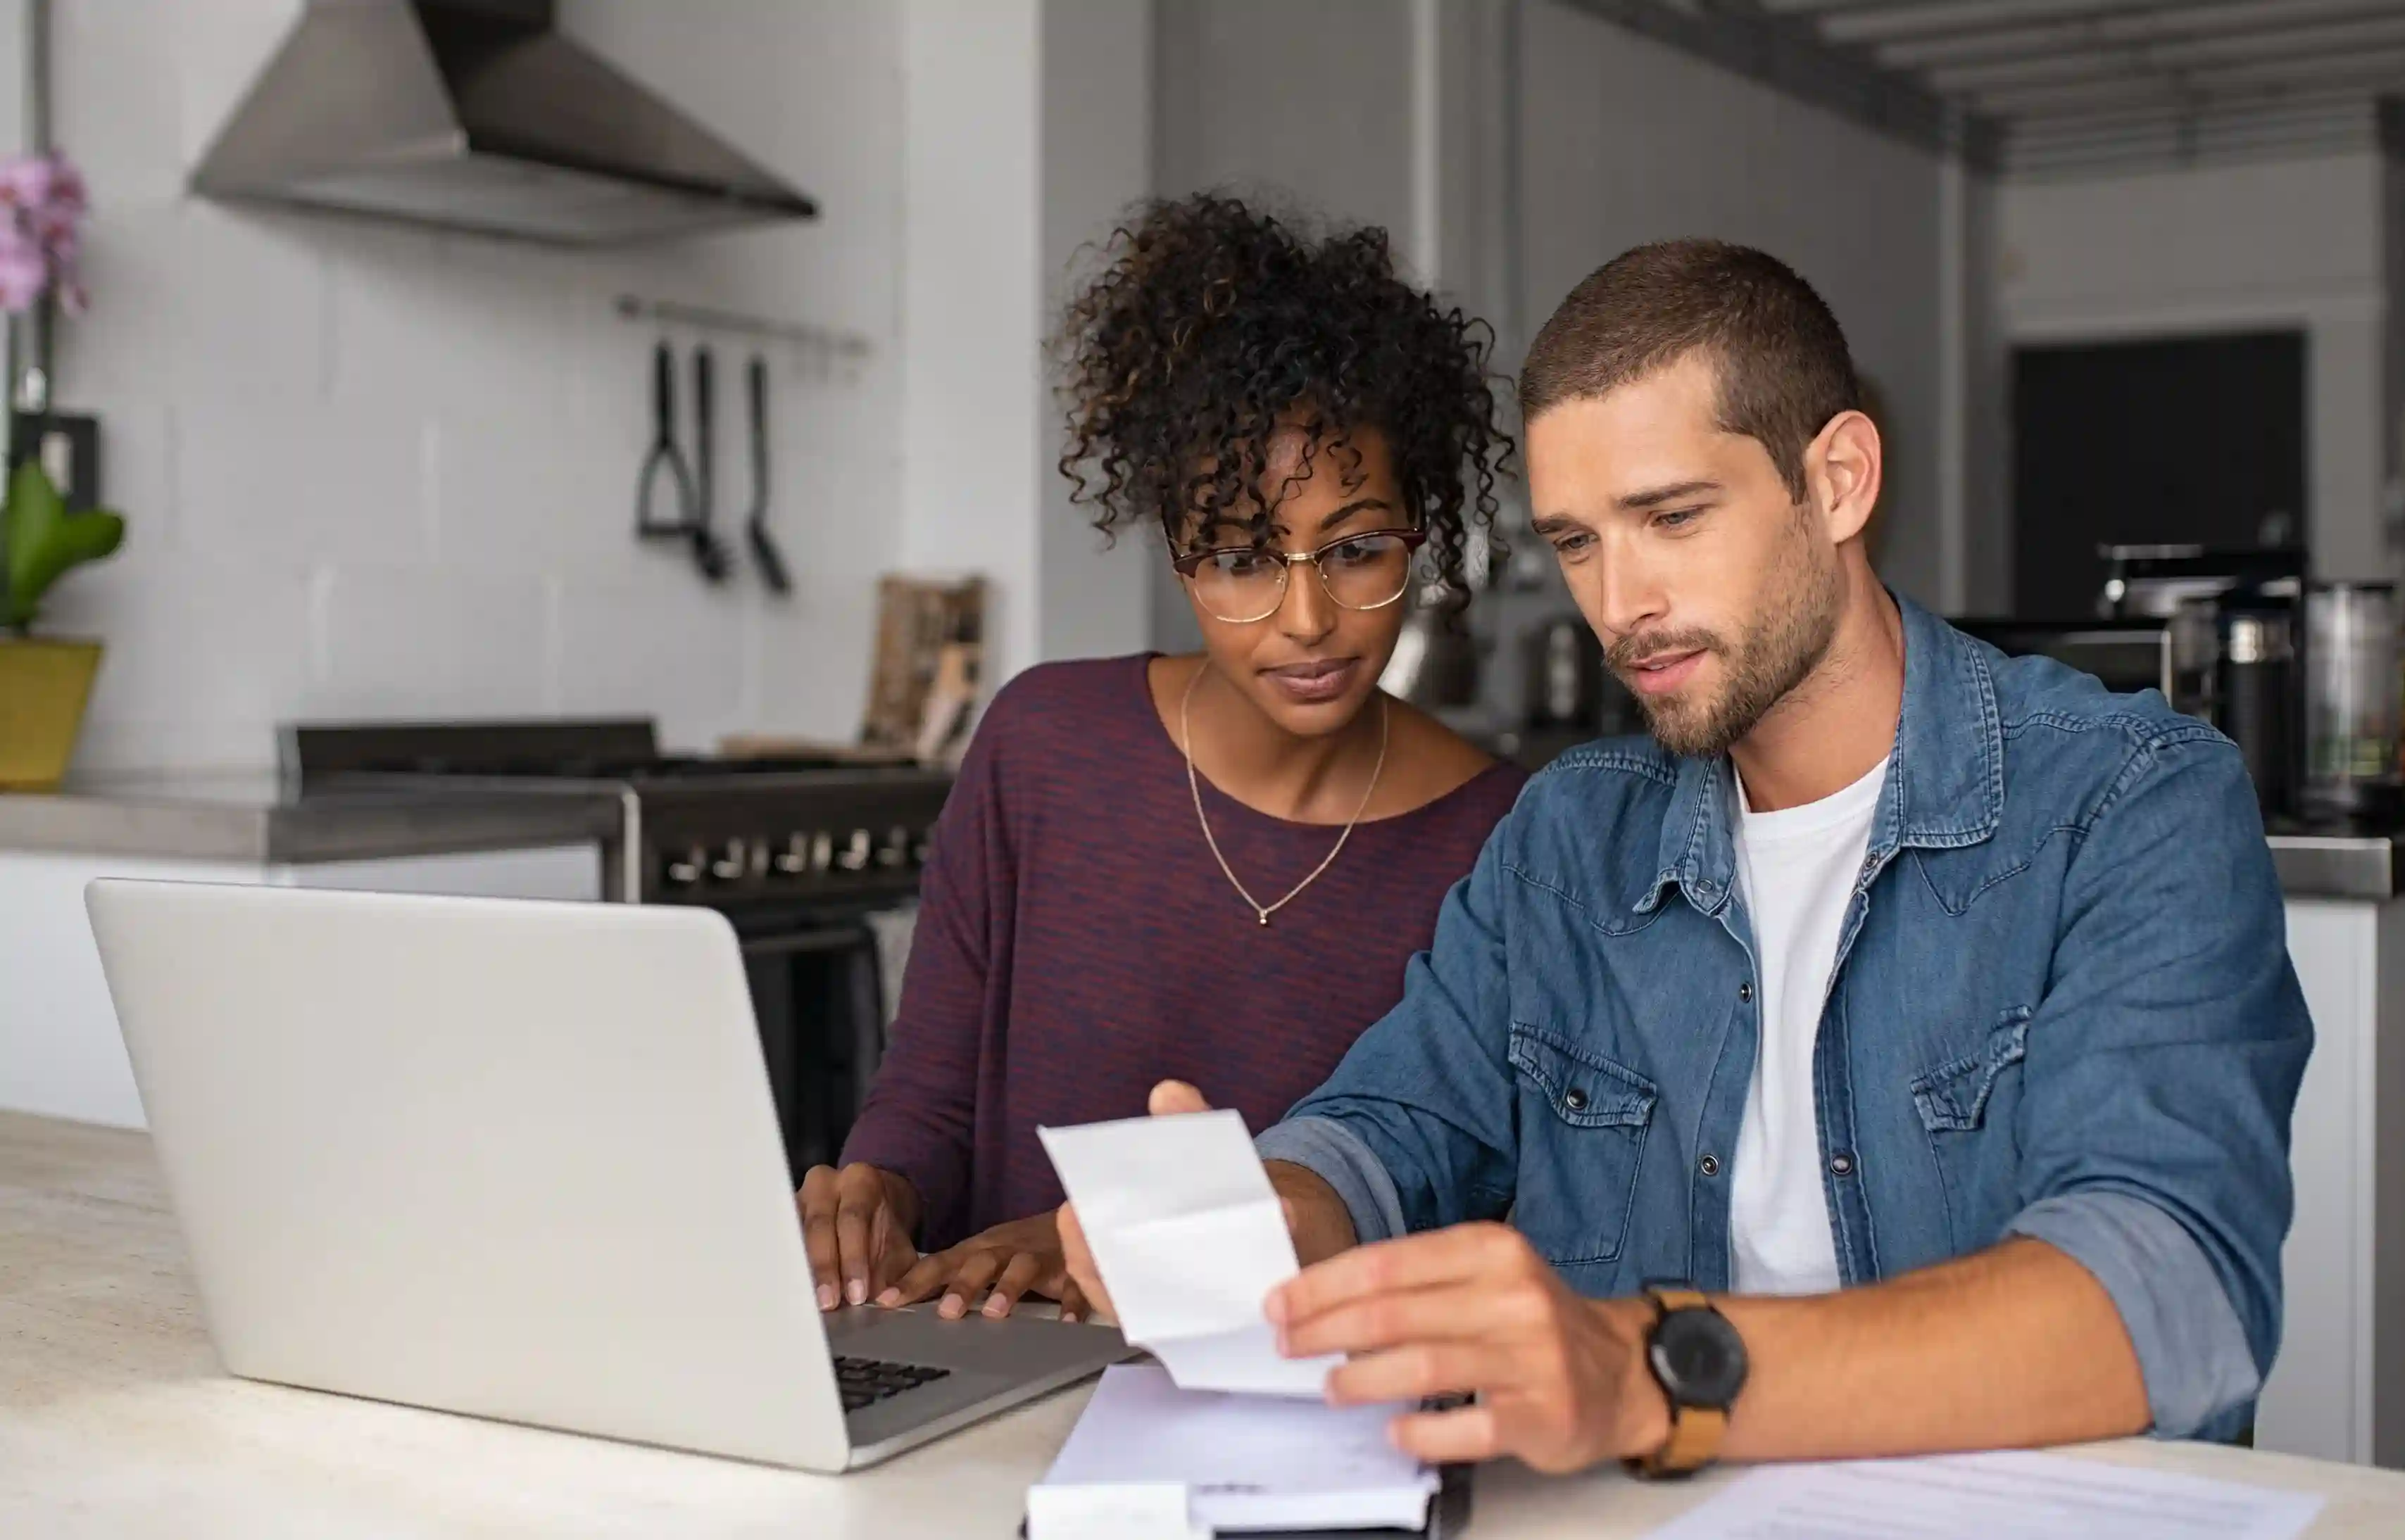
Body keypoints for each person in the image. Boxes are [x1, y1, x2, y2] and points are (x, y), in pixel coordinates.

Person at [1062, 239, 2311, 1475]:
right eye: (1580, 541)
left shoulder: (2130, 801)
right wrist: (1267, 1214)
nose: (1620, 603)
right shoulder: (1568, 840)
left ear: (1839, 482)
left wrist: (1654, 1373)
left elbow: (2169, 1296)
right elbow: (1393, 1124)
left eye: (1670, 517)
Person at [798, 194, 1526, 1324]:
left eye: (1358, 549)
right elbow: (930, 1099)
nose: (1305, 619)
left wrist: (1097, 1246)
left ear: (1421, 535)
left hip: (1299, 1424)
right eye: (1239, 558)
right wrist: (875, 1193)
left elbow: (1454, 1198)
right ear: (1179, 557)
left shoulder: (1502, 839)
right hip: (992, 1379)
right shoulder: (1042, 747)